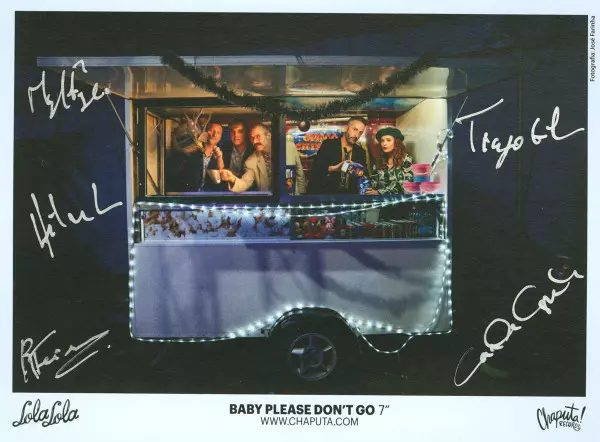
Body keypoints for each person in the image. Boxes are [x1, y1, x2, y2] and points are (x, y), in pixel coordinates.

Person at [307, 116, 368, 194]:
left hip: (350, 196)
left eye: (360, 132)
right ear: (346, 128)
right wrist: (332, 169)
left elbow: (364, 176)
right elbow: (315, 171)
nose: (357, 135)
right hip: (328, 195)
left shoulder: (361, 152)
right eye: (355, 129)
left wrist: (360, 174)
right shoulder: (328, 145)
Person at [165, 122, 225, 192]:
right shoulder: (190, 148)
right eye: (211, 130)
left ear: (220, 137)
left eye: (218, 133)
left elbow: (219, 182)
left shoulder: (219, 156)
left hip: (205, 196)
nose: (214, 135)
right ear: (204, 132)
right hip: (185, 194)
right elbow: (170, 172)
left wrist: (219, 160)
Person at [220, 123, 273, 193]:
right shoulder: (251, 161)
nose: (255, 141)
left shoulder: (285, 148)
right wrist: (232, 179)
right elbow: (245, 182)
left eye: (258, 136)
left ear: (268, 136)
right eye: (252, 138)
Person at [364, 127, 414, 195]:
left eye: (388, 140)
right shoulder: (381, 160)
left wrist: (380, 192)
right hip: (381, 200)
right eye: (382, 141)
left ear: (396, 142)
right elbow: (374, 181)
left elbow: (406, 184)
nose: (384, 143)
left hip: (400, 200)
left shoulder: (406, 159)